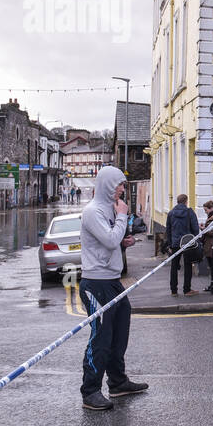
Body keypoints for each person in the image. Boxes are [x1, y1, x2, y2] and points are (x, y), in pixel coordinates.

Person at [78, 165, 148, 411]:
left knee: (120, 333)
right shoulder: (93, 211)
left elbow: (111, 242)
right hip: (95, 283)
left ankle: (117, 382)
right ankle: (90, 391)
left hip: (113, 280)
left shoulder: (110, 210)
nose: (122, 189)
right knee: (101, 336)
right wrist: (121, 218)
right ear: (108, 184)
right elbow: (108, 238)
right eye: (119, 184)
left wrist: (124, 242)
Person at [167, 194, 201, 296]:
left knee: (174, 266)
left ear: (177, 201)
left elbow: (168, 230)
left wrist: (170, 243)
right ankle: (187, 290)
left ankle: (174, 291)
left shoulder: (171, 213)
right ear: (186, 201)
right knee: (188, 266)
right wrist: (196, 242)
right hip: (187, 243)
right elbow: (195, 228)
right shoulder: (189, 212)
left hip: (175, 243)